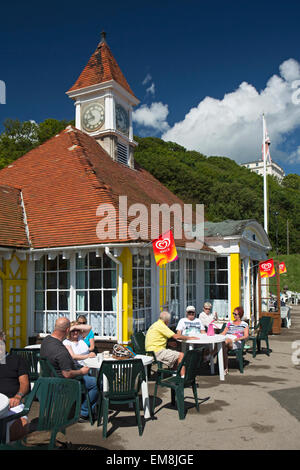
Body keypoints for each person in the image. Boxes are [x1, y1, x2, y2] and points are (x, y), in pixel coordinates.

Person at [40, 317, 98, 423]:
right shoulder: (61, 350)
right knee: (96, 383)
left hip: (48, 380)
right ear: (67, 331)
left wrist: (73, 326)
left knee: (89, 378)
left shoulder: (46, 341)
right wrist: (81, 372)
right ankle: (84, 413)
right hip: (63, 383)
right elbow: (67, 374)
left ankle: (85, 409)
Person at [145, 311, 199, 376]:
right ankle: (182, 378)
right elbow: (176, 336)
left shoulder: (155, 324)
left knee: (176, 353)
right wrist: (189, 338)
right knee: (181, 355)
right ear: (166, 320)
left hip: (151, 351)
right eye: (169, 320)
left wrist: (168, 343)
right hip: (157, 352)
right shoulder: (161, 326)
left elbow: (156, 339)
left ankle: (174, 374)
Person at [0, 330, 30, 442]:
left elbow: (24, 383)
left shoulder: (16, 360)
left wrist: (18, 396)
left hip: (12, 403)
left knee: (19, 426)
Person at [221, 306, 249, 374]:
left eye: (235, 314)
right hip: (227, 339)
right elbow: (223, 333)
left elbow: (246, 336)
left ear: (240, 315)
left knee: (224, 342)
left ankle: (211, 356)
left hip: (236, 341)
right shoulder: (230, 323)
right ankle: (225, 368)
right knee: (223, 345)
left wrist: (238, 338)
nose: (233, 315)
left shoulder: (244, 324)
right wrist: (216, 336)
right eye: (233, 313)